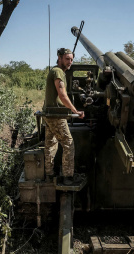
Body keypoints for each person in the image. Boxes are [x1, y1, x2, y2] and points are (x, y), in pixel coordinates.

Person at [43, 48, 84, 185]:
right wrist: (75, 111)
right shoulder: (58, 72)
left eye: (71, 59)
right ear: (59, 58)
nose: (70, 62)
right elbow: (62, 95)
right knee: (68, 144)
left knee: (51, 144)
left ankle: (49, 174)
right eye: (67, 59)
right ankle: (68, 177)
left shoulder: (55, 71)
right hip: (56, 116)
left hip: (49, 114)